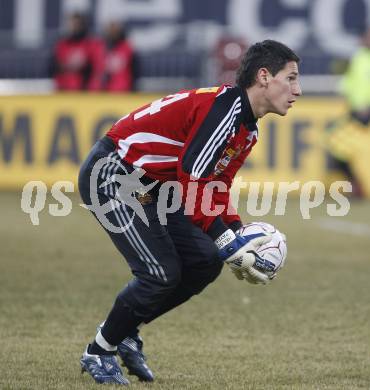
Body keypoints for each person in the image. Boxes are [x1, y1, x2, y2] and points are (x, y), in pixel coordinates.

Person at [78, 40, 302, 385]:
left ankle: (123, 331)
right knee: (160, 272)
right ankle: (99, 349)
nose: (297, 90)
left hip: (152, 186)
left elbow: (216, 185)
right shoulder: (227, 110)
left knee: (204, 260)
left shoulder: (247, 125)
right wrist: (226, 238)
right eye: (291, 78)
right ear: (263, 76)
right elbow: (194, 177)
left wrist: (236, 232)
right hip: (113, 175)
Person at [327, 27, 370, 197]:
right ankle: (355, 185)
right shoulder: (358, 57)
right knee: (334, 145)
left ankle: (356, 185)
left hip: (364, 112)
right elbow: (351, 84)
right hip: (358, 115)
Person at [50, 13, 103, 91]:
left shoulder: (91, 45)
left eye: (77, 24)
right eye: (72, 24)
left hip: (83, 91)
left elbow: (97, 69)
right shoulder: (62, 45)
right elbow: (53, 67)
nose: (74, 27)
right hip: (63, 90)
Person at [90, 21, 135, 92]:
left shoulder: (126, 48)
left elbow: (133, 70)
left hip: (121, 91)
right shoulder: (98, 48)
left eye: (115, 29)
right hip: (98, 91)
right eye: (110, 29)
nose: (112, 32)